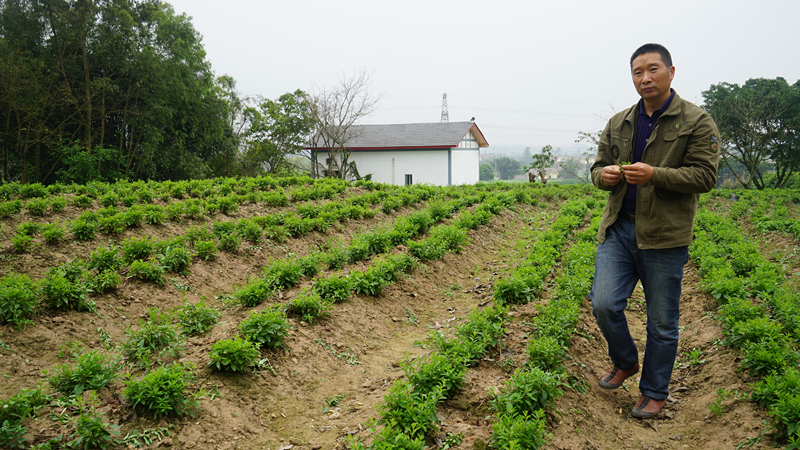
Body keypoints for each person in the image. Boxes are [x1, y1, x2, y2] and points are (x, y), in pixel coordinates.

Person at [589, 43, 720, 419]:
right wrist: (606, 176)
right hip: (619, 230)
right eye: (637, 72)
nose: (644, 78)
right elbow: (597, 169)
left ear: (671, 72)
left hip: (665, 238)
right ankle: (626, 360)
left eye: (652, 70)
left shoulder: (696, 121)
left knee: (662, 323)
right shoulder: (619, 122)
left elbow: (705, 176)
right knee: (603, 304)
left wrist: (654, 175)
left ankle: (654, 391)